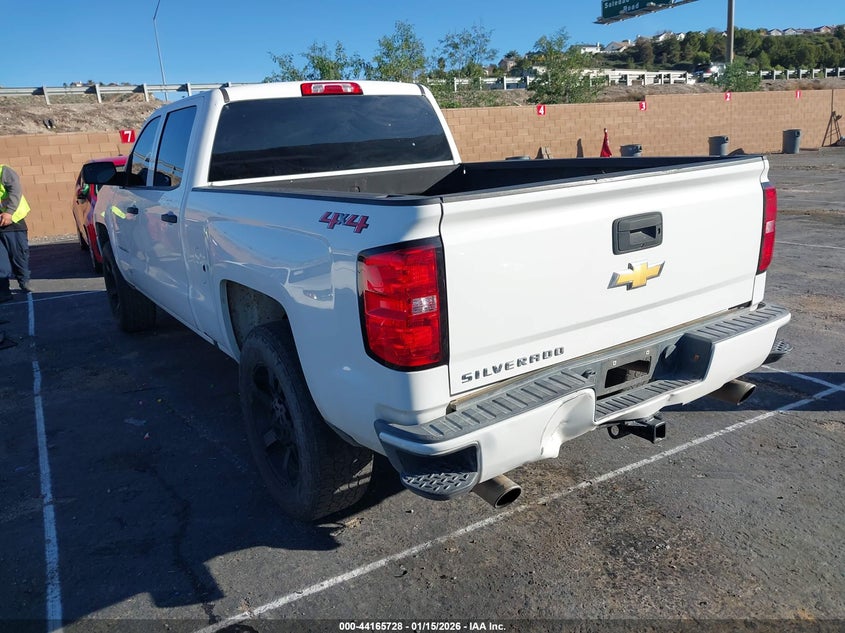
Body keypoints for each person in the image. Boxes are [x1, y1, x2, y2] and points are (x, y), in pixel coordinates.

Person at [0, 164, 31, 302]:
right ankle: (3, 290)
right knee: (1, 261)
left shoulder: (4, 171)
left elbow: (15, 191)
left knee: (19, 254)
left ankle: (24, 281)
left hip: (13, 222)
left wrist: (9, 213)